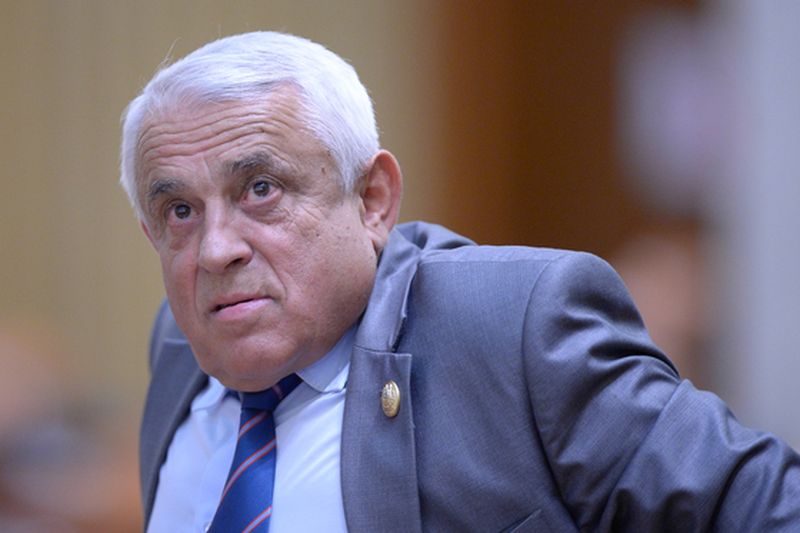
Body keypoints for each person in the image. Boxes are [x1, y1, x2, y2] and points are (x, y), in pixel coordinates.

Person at [122, 31, 800, 532]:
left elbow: (769, 508)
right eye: (179, 210)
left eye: (261, 189)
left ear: (372, 200)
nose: (215, 250)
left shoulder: (513, 325)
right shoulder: (181, 345)